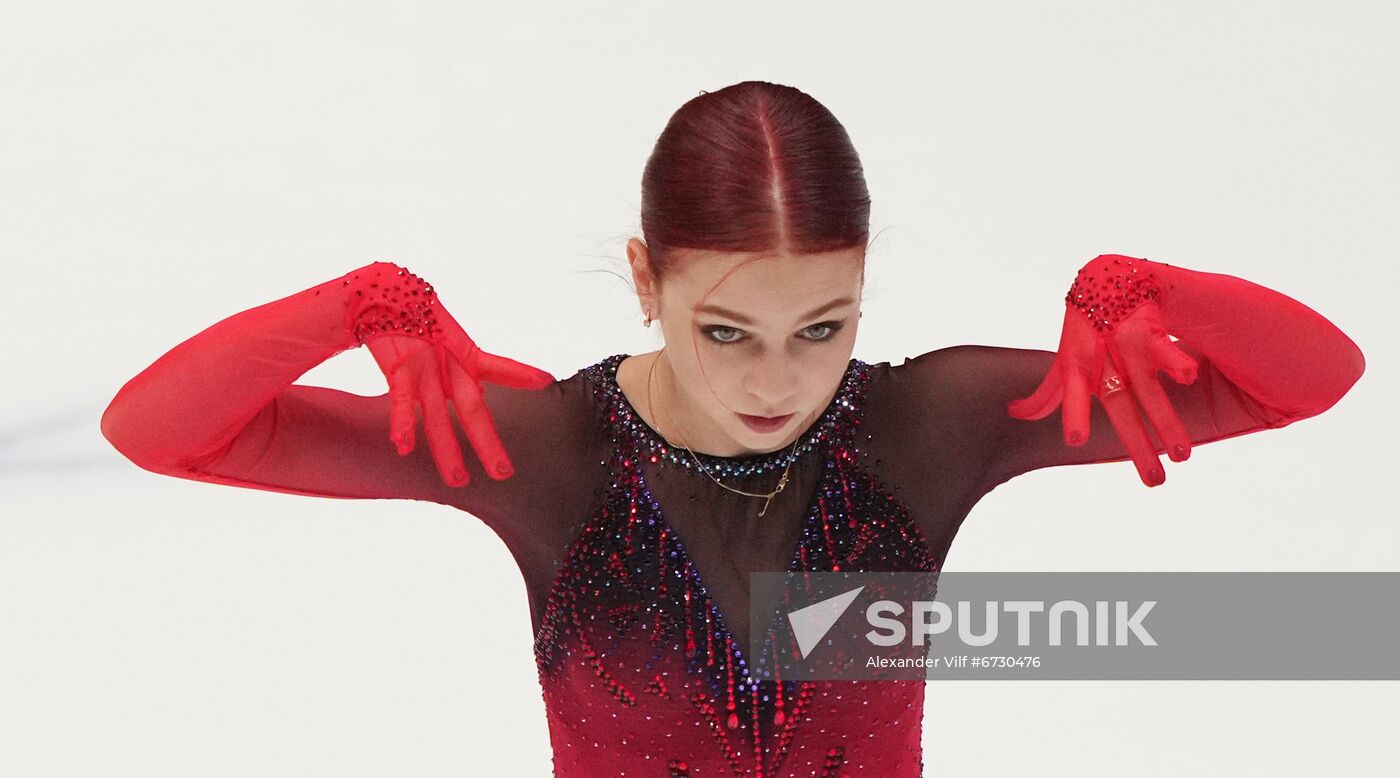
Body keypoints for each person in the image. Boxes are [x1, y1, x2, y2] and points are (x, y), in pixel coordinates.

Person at [99, 81, 1365, 777]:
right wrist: (352, 305)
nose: (778, 380)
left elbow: (1304, 379)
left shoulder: (930, 426)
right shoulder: (540, 453)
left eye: (821, 326)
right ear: (646, 281)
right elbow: (162, 431)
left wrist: (1146, 289)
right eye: (724, 331)